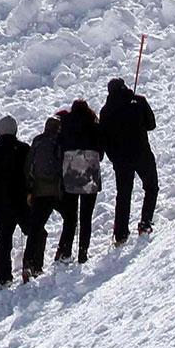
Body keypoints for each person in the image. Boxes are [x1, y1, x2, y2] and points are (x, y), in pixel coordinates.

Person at [99, 78, 157, 243]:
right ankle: (145, 223)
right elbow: (151, 124)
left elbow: (104, 139)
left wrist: (114, 157)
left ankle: (121, 234)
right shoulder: (138, 101)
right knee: (151, 187)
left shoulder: (106, 111)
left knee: (123, 195)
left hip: (121, 160)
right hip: (142, 154)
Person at [56, 100, 104, 263]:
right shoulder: (94, 125)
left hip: (70, 171)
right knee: (86, 216)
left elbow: (60, 147)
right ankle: (83, 251)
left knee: (70, 216)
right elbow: (101, 151)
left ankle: (66, 251)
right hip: (90, 170)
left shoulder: (65, 125)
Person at [0, 116, 28, 284]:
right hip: (22, 200)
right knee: (34, 232)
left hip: (1, 202)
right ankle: (32, 263)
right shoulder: (24, 149)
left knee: (3, 240)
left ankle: (2, 276)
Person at [22, 116, 62, 278]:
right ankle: (63, 252)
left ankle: (29, 263)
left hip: (38, 190)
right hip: (55, 191)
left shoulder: (38, 141)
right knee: (71, 218)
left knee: (36, 227)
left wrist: (29, 189)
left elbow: (28, 166)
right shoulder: (58, 142)